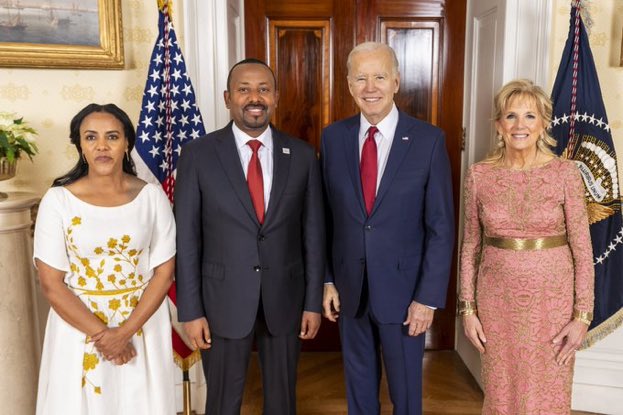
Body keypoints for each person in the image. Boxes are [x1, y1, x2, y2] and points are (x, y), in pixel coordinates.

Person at [174, 58, 325, 415]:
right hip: (220, 302)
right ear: (228, 98)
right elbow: (187, 240)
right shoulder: (198, 155)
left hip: (286, 300)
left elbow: (314, 235)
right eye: (244, 89)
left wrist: (312, 303)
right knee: (223, 403)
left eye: (263, 89)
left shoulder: (303, 155)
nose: (254, 98)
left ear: (275, 97)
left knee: (282, 402)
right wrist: (190, 310)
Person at [321, 42, 454, 415]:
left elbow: (441, 227)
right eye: (360, 78)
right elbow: (325, 217)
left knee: (406, 394)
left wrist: (427, 298)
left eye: (379, 77)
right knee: (359, 392)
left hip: (406, 294)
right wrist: (328, 279)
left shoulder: (428, 140)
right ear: (349, 85)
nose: (370, 88)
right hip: (350, 290)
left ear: (396, 82)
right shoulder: (333, 138)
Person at [459, 79, 594, 414]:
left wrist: (582, 315)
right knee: (501, 394)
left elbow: (582, 249)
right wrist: (468, 309)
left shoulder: (566, 174)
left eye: (530, 116)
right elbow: (471, 245)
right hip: (497, 303)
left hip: (553, 305)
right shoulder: (478, 175)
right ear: (498, 125)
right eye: (511, 116)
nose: (520, 125)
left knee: (548, 394)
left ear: (544, 123)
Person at [33, 103, 177, 414]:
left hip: (141, 325)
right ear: (80, 145)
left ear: (127, 143)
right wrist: (103, 336)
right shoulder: (57, 201)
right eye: (91, 137)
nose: (102, 146)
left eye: (112, 136)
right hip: (78, 328)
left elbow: (164, 274)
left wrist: (123, 333)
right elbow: (51, 284)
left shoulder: (152, 197)